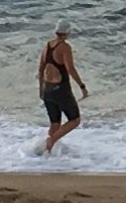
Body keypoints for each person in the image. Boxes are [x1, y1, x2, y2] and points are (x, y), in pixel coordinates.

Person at [36, 24, 88, 154]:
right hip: (61, 90)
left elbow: (41, 68)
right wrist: (82, 86)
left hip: (47, 89)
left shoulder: (47, 46)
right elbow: (70, 69)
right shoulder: (65, 47)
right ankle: (52, 141)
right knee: (75, 120)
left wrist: (41, 90)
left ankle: (47, 153)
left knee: (55, 124)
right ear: (67, 33)